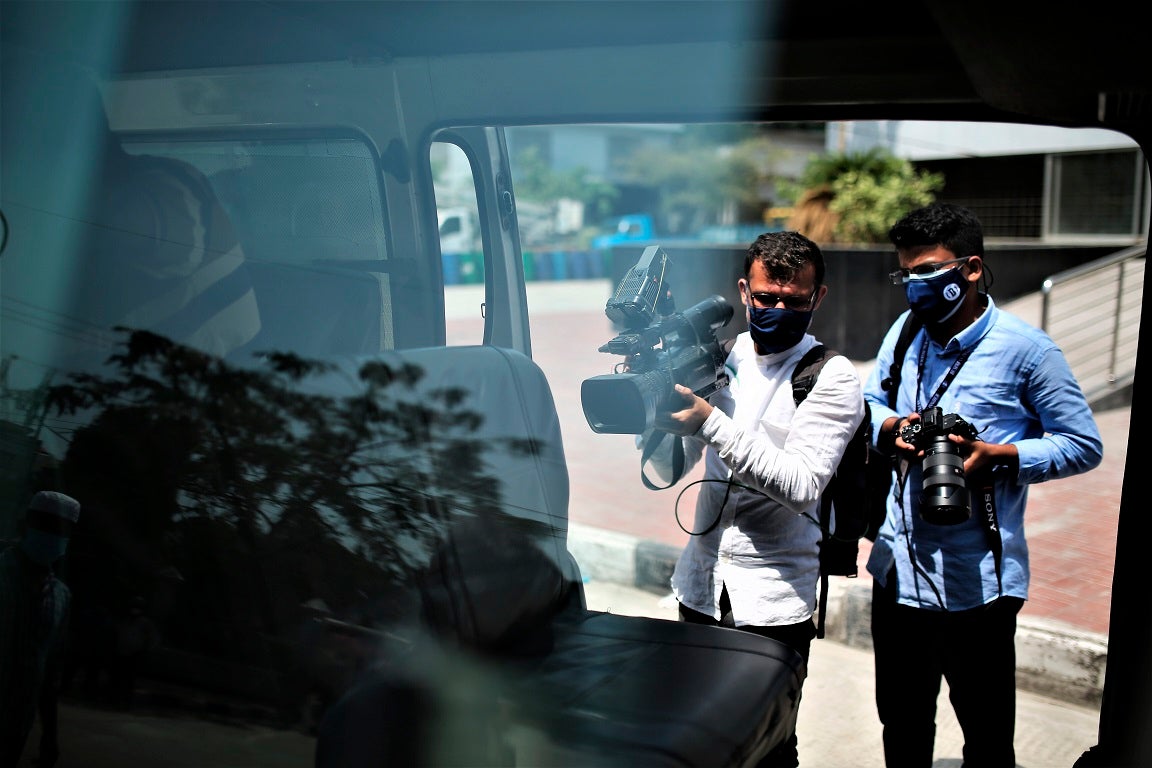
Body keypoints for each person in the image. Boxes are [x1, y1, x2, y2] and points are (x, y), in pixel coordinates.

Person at [863, 202, 1104, 768]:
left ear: (970, 269)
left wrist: (1002, 456)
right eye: (907, 274)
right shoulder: (905, 333)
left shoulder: (1029, 351)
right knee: (901, 725)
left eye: (928, 272)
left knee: (989, 737)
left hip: (980, 585)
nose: (915, 287)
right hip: (897, 573)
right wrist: (893, 427)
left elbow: (1083, 444)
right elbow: (870, 402)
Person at [636, 230, 864, 768]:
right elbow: (672, 465)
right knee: (692, 738)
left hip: (774, 601)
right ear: (744, 291)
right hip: (700, 586)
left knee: (766, 747)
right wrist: (655, 420)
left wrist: (710, 420)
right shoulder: (724, 355)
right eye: (766, 298)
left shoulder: (831, 377)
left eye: (795, 301)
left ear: (819, 298)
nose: (779, 309)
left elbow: (803, 484)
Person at [0, 491, 82, 768]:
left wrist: (50, 733)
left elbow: (49, 673)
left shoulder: (61, 597)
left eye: (60, 529)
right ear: (27, 524)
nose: (51, 534)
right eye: (45, 524)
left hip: (16, 727)